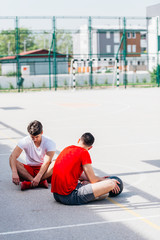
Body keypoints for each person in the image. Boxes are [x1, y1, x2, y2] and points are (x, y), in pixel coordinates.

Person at [51, 132, 120, 205]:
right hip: (69, 196)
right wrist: (106, 180)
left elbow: (77, 174)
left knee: (86, 180)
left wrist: (99, 179)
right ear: (90, 147)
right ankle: (99, 195)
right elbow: (92, 179)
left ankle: (91, 190)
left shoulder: (67, 148)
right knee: (111, 184)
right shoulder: (84, 152)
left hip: (56, 195)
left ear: (79, 140)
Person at [9, 120, 56, 191]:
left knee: (56, 162)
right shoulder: (24, 141)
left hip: (45, 171)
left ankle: (31, 183)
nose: (34, 139)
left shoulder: (50, 142)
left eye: (37, 137)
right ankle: (38, 182)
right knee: (12, 159)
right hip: (29, 171)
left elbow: (47, 162)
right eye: (32, 137)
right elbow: (13, 156)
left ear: (42, 133)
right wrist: (14, 172)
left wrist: (39, 176)